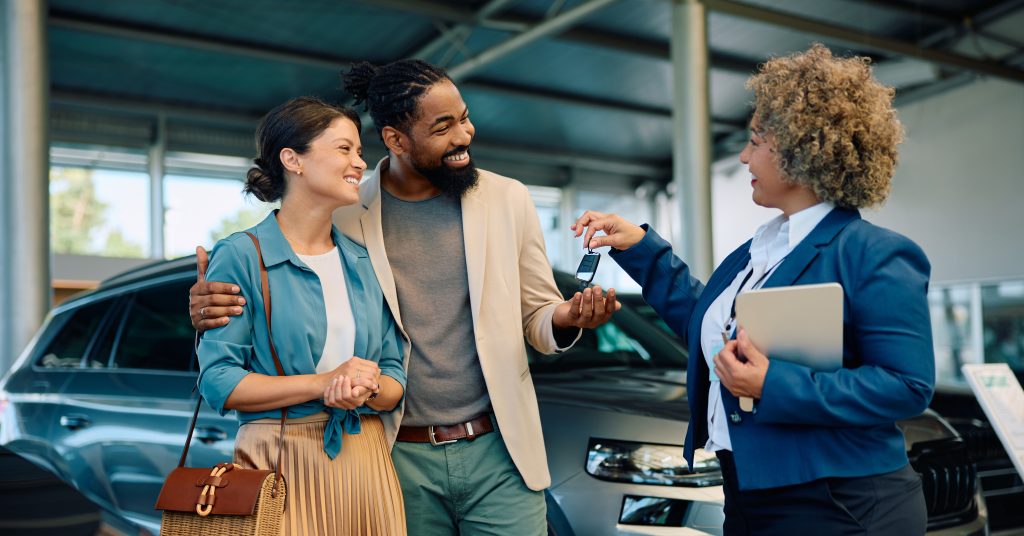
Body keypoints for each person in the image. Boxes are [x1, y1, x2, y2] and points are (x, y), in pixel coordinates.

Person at [190, 59, 620, 535]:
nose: (465, 135)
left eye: (464, 117)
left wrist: (567, 317)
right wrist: (208, 299)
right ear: (396, 139)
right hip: (391, 454)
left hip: (499, 450)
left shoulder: (508, 199)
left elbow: (538, 316)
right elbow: (285, 264)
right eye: (443, 126)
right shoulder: (349, 212)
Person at [572, 44, 934, 535]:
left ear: (802, 148)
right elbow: (709, 328)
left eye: (756, 141)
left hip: (840, 502)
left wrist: (771, 385)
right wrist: (639, 248)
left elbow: (907, 386)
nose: (743, 156)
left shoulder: (875, 253)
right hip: (746, 493)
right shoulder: (757, 250)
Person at [197, 97, 407, 535]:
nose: (360, 163)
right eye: (344, 149)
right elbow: (220, 381)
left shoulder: (362, 261)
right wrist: (324, 384)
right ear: (292, 159)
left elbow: (393, 380)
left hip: (365, 463)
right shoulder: (241, 255)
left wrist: (364, 389)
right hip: (278, 463)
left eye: (359, 151)